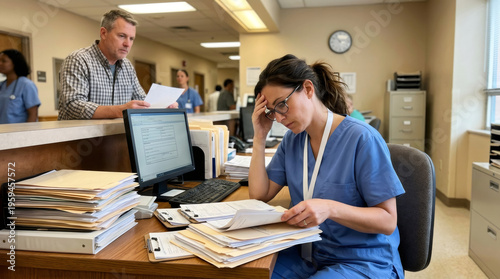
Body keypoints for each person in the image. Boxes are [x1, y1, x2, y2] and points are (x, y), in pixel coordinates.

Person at [249, 54, 405, 279]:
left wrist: (330, 208)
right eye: (272, 111)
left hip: (360, 260)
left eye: (282, 104)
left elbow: (388, 221)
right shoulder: (293, 141)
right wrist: (259, 137)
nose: (280, 118)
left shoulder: (362, 139)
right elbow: (259, 193)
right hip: (307, 253)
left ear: (308, 89)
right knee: (249, 273)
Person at [58, 10, 176, 120]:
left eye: (131, 38)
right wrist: (119, 110)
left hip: (116, 140)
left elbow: (141, 101)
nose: (127, 44)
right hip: (80, 141)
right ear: (103, 33)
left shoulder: (127, 67)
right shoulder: (78, 60)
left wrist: (161, 105)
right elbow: (73, 105)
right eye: (122, 36)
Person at [0, 49, 41, 124]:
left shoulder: (26, 85)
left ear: (15, 63)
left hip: (18, 132)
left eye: (4, 61)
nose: (0, 63)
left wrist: (27, 134)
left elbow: (33, 114)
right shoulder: (1, 85)